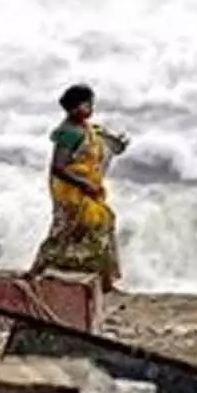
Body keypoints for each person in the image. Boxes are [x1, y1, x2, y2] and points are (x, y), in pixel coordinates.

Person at [28, 83, 129, 292]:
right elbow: (58, 167)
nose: (90, 108)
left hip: (88, 189)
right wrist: (84, 184)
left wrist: (117, 144)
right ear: (73, 108)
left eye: (91, 104)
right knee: (65, 231)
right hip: (71, 192)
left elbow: (106, 147)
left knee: (101, 224)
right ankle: (39, 269)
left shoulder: (89, 129)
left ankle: (103, 279)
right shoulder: (68, 133)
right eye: (86, 105)